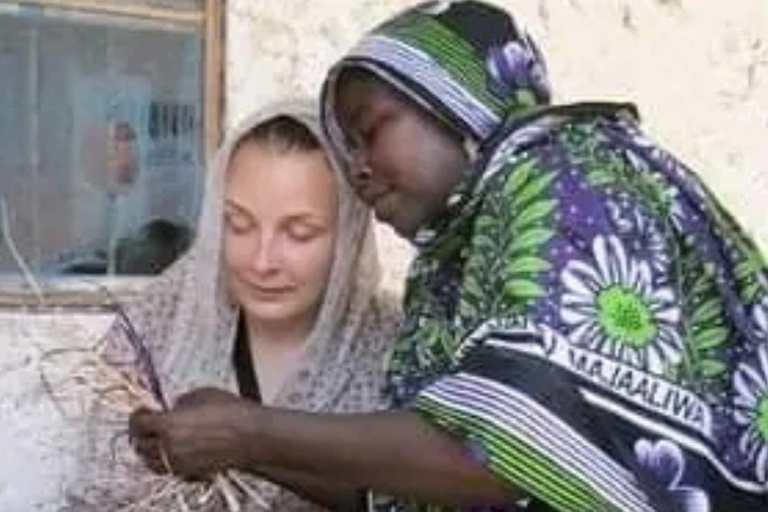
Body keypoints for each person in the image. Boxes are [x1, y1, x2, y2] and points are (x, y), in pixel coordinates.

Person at [128, 2, 768, 511]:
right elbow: (411, 488)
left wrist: (249, 431)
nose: (359, 168)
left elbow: (500, 449)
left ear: (452, 99)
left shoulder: (570, 180)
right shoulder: (462, 258)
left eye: (371, 129)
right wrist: (232, 446)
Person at [68, 100, 402, 511]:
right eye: (239, 224)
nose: (262, 261)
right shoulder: (158, 326)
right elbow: (94, 494)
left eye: (299, 233)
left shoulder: (395, 351)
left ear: (348, 238)